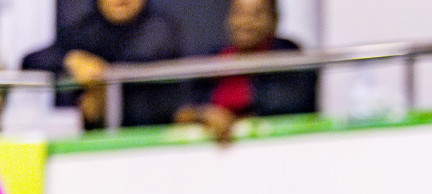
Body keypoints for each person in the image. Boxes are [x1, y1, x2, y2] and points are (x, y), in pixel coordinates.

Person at [22, 0, 184, 129]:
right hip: (86, 150)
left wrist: (103, 94)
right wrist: (71, 59)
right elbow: (32, 60)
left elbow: (166, 106)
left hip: (147, 144)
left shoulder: (161, 33)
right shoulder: (85, 30)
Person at [175, 0, 318, 143]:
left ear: (274, 20)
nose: (246, 22)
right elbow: (182, 110)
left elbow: (292, 102)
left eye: (258, 14)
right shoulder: (211, 59)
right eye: (239, 13)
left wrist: (234, 119)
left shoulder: (287, 55)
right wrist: (205, 114)